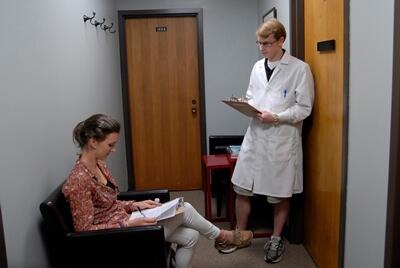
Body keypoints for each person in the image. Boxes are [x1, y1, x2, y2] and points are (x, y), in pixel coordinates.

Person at [62, 114, 253, 268]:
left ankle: (221, 237)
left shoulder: (99, 165)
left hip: (127, 223)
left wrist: (134, 204)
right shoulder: (79, 180)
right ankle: (223, 236)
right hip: (117, 239)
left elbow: (108, 204)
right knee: (184, 208)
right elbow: (84, 230)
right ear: (93, 142)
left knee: (191, 236)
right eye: (110, 145)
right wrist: (127, 224)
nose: (113, 149)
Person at [227, 19, 314, 263]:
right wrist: (244, 104)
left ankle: (275, 239)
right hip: (255, 136)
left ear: (281, 40)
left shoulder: (299, 69)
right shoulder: (257, 67)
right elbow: (254, 95)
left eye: (266, 43)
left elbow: (304, 108)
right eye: (259, 43)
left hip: (281, 139)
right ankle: (240, 234)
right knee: (242, 188)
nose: (262, 48)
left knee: (279, 194)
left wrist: (276, 116)